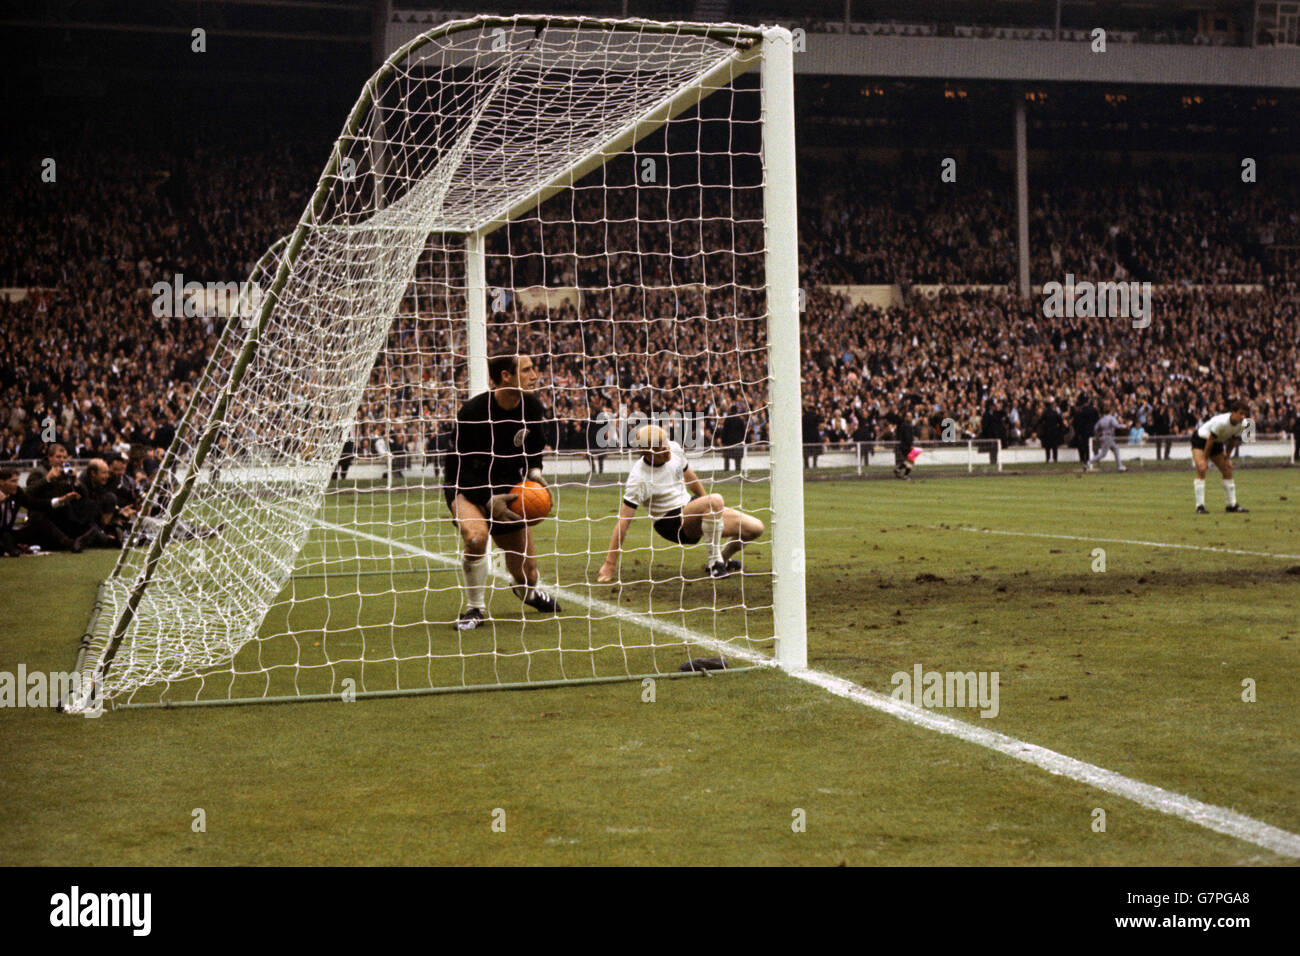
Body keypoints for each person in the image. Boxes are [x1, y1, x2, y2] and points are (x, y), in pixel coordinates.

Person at [444, 354, 560, 631]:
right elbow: (455, 467)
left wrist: (535, 475)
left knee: (527, 574)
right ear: (505, 376)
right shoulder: (472, 412)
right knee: (475, 537)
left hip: (509, 489)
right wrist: (486, 499)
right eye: (527, 370)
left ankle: (529, 593)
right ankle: (475, 608)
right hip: (467, 487)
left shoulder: (532, 407)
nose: (535, 375)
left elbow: (535, 448)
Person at [597, 424, 763, 582]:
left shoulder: (674, 448)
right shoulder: (638, 478)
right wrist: (609, 564)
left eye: (666, 444)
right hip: (670, 522)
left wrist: (711, 509)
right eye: (661, 449)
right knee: (715, 500)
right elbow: (624, 522)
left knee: (755, 528)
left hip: (690, 507)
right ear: (647, 454)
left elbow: (690, 478)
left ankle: (723, 560)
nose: (667, 450)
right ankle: (715, 563)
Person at [1191, 401, 1251, 514]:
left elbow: (1233, 440)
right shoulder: (1222, 422)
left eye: (1245, 414)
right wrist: (1205, 458)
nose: (1243, 417)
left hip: (1216, 441)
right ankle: (1200, 506)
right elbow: (1210, 440)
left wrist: (1227, 456)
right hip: (1201, 440)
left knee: (1228, 468)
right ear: (1233, 412)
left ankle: (1231, 505)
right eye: (1241, 413)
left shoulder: (1242, 424)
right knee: (1202, 467)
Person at [1086, 405, 1127, 472]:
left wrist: (1097, 437)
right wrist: (1124, 426)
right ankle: (1089, 462)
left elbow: (1095, 428)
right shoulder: (1111, 418)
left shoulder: (1102, 419)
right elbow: (1116, 425)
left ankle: (1120, 466)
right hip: (1108, 437)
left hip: (1104, 437)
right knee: (1103, 454)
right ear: (1110, 411)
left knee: (1115, 449)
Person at [891, 411, 915, 479]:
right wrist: (911, 445)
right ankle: (904, 474)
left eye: (910, 416)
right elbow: (908, 437)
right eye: (908, 416)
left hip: (904, 445)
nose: (910, 418)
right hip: (906, 446)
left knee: (909, 461)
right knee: (910, 461)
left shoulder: (905, 425)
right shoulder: (907, 426)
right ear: (905, 417)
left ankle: (899, 470)